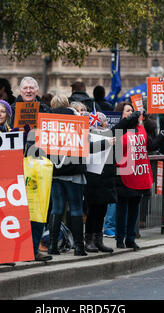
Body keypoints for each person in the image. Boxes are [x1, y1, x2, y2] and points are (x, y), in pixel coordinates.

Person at [47, 98, 113, 256]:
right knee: (76, 208)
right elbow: (87, 147)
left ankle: (52, 246)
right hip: (74, 171)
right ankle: (78, 247)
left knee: (56, 208)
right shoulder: (77, 120)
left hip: (55, 172)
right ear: (68, 105)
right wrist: (107, 143)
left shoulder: (47, 121)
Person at [113, 101, 164, 250]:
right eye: (127, 111)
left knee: (135, 208)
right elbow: (117, 152)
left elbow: (151, 146)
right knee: (122, 209)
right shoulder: (119, 129)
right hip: (124, 172)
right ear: (121, 114)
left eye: (132, 111)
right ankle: (120, 238)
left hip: (139, 173)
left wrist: (163, 135)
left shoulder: (139, 128)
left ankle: (131, 238)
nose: (131, 113)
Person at [84, 112, 115, 253]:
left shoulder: (110, 136)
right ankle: (89, 240)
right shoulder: (88, 136)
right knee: (92, 211)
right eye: (102, 122)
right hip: (92, 177)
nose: (105, 124)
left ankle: (98, 239)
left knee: (102, 210)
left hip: (105, 177)